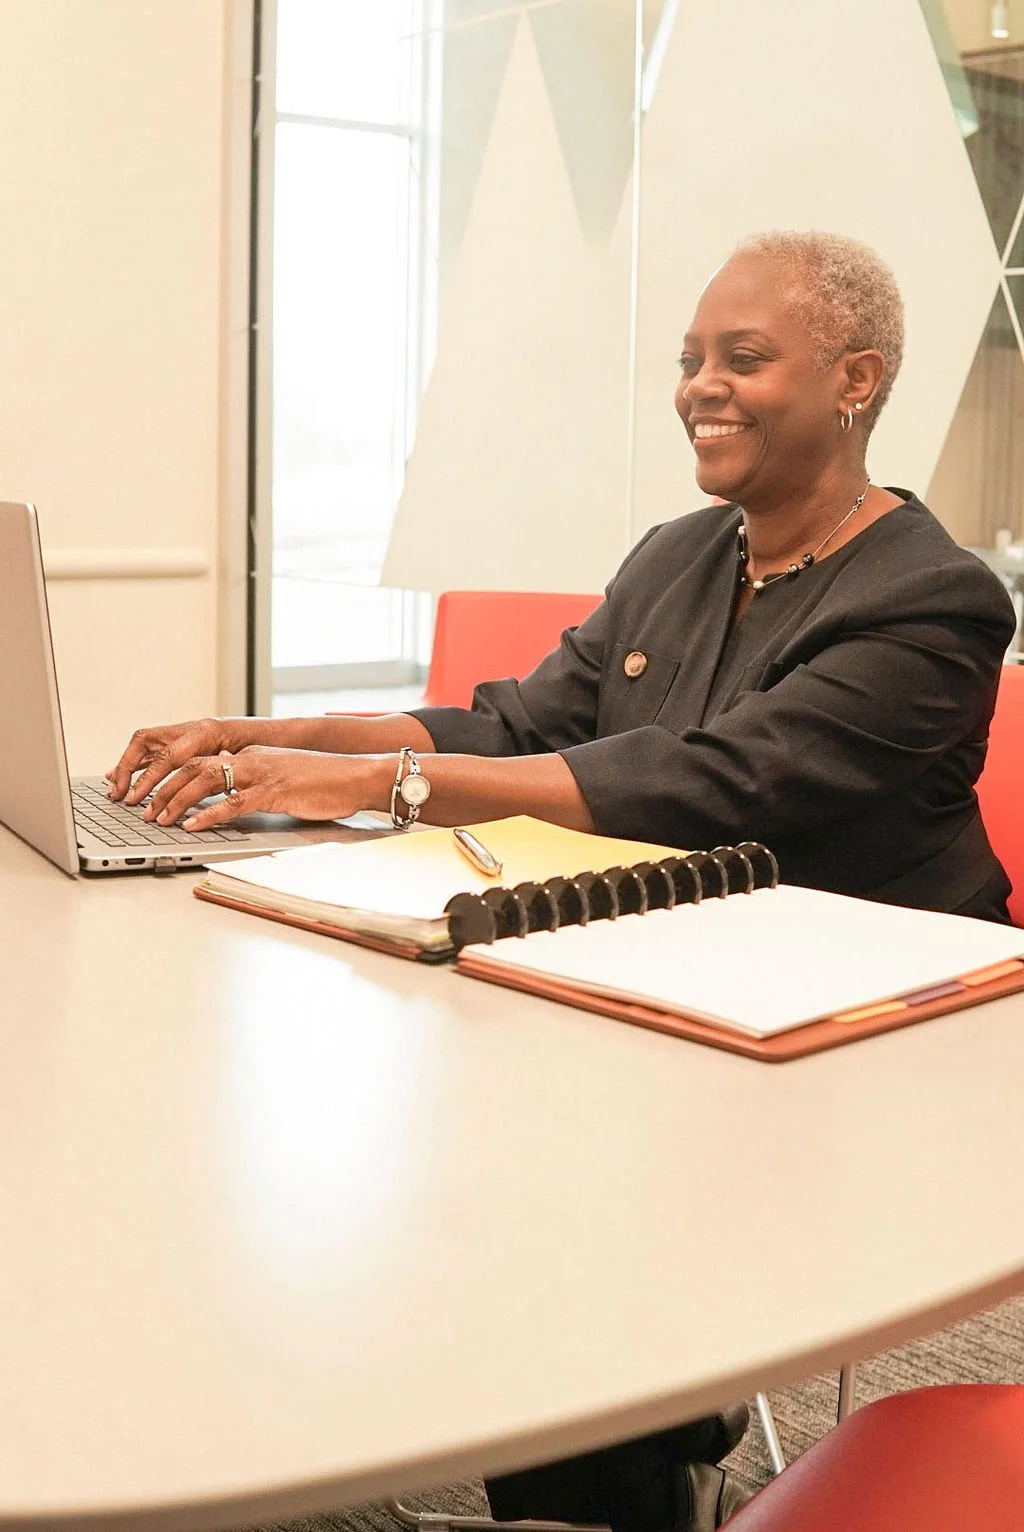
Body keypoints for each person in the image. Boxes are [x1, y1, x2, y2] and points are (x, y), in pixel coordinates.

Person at [108, 231, 1016, 1526]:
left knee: (550, 1194)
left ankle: (619, 1481)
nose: (699, 383)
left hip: (866, 1054)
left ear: (856, 379)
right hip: (667, 993)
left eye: (743, 358)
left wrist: (374, 788)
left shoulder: (937, 599)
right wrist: (275, 741)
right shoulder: (677, 556)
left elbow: (713, 782)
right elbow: (519, 723)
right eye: (690, 359)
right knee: (441, 1122)